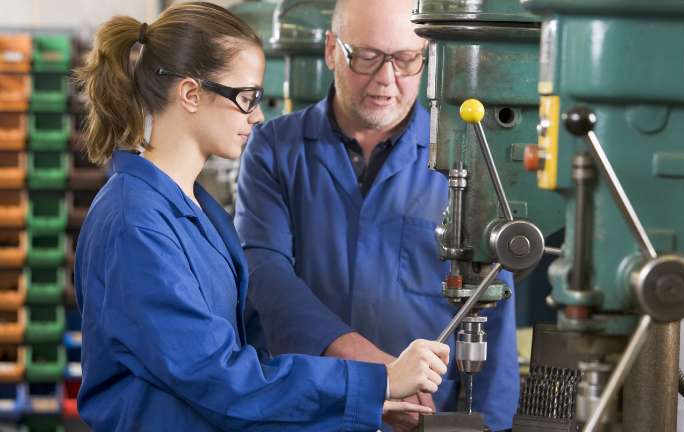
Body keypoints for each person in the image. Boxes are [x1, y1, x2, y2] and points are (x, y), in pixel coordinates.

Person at [73, 3, 451, 431]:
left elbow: (249, 371)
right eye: (246, 97)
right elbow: (220, 379)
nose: (257, 114)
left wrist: (354, 407)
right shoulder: (135, 223)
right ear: (191, 94)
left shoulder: (199, 211)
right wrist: (377, 382)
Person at [234, 0, 520, 430]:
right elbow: (263, 271)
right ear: (332, 50)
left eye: (406, 59)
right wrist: (376, 371)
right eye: (366, 57)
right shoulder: (274, 148)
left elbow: (494, 314)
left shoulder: (470, 160)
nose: (386, 80)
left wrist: (493, 426)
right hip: (308, 413)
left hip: (423, 420)